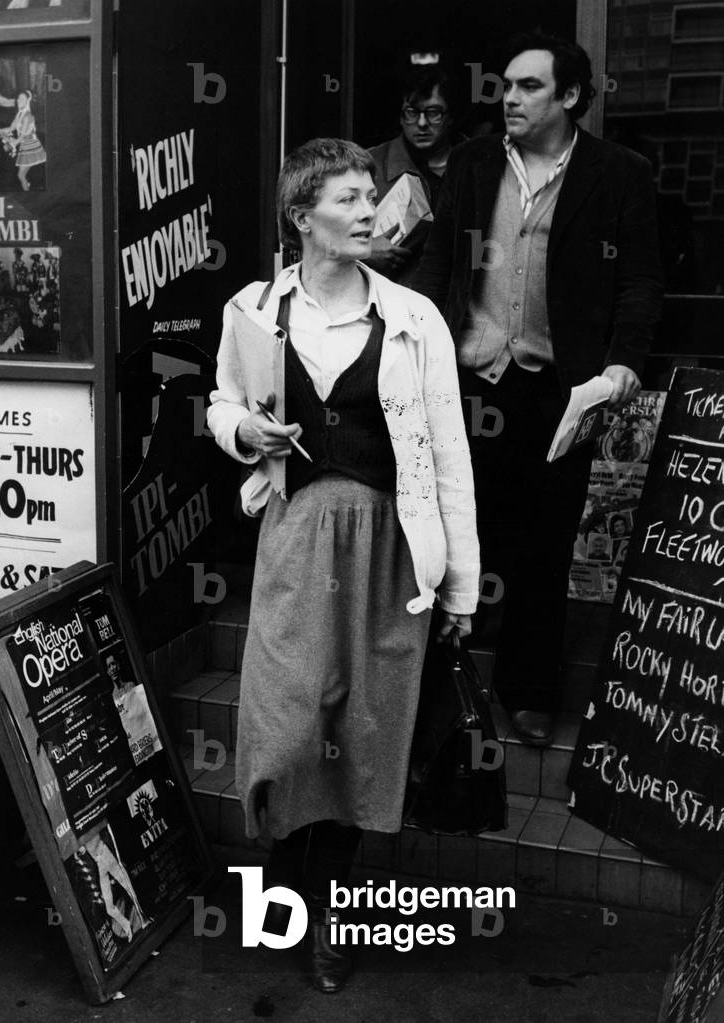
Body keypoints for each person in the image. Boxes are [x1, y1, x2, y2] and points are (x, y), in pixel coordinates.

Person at [207, 137, 479, 993]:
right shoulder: (252, 309)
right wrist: (244, 431)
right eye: (351, 199)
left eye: (372, 197)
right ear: (303, 218)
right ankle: (289, 867)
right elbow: (220, 400)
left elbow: (447, 455)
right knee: (289, 728)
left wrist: (461, 585)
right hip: (293, 536)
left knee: (363, 735)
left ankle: (329, 917)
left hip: (391, 547)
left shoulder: (412, 317)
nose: (371, 211)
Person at [414, 33, 662, 746]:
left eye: (527, 87)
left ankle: (527, 688)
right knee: (450, 529)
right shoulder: (471, 161)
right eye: (506, 86)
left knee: (545, 541)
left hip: (557, 386)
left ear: (571, 97)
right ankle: (434, 685)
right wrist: (409, 343)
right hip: (467, 376)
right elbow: (440, 261)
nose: (509, 99)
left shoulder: (619, 173)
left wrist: (620, 365)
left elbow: (641, 282)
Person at [365, 65, 461, 285]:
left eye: (433, 113)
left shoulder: (473, 165)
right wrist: (363, 251)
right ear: (400, 117)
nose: (421, 123)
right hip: (391, 305)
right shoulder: (369, 164)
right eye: (412, 113)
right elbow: (325, 237)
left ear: (451, 116)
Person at [0, 90, 46, 191]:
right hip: (24, 144)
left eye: (22, 99)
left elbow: (23, 136)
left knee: (21, 175)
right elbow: (11, 128)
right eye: (19, 98)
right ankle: (27, 187)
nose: (19, 100)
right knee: (21, 175)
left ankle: (28, 190)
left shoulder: (28, 116)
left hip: (30, 146)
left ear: (27, 101)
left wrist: (12, 143)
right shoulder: (19, 114)